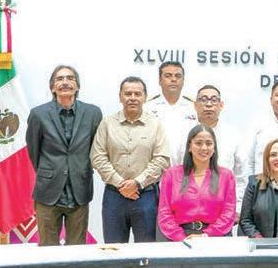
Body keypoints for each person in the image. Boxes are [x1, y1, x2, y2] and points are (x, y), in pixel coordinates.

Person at [25, 65, 103, 246]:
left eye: (70, 78)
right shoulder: (38, 114)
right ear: (52, 87)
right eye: (59, 79)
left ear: (77, 86)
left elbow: (96, 148)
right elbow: (34, 150)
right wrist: (50, 172)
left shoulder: (93, 113)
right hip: (48, 192)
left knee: (77, 250)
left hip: (79, 190)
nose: (65, 82)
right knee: (47, 250)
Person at [91, 76, 170, 243]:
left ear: (145, 97)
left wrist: (137, 183)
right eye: (128, 94)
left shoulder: (155, 124)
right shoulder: (107, 123)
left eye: (137, 94)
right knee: (114, 249)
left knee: (146, 250)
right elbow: (97, 157)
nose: (132, 98)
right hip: (114, 196)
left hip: (146, 196)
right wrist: (121, 184)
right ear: (120, 97)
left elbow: (162, 159)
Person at [173, 85, 247, 213]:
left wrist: (238, 207)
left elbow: (241, 176)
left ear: (221, 105)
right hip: (187, 206)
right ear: (195, 105)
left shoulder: (233, 135)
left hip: (223, 206)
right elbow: (175, 168)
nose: (208, 104)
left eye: (213, 100)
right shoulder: (183, 133)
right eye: (203, 100)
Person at [156, 124, 237, 242]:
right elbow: (164, 213)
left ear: (214, 147)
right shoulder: (171, 175)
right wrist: (181, 238)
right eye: (198, 143)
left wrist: (206, 236)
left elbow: (229, 213)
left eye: (209, 143)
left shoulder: (226, 176)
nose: (204, 148)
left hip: (215, 238)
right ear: (189, 146)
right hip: (179, 239)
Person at [144, 61, 196, 159]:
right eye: (168, 76)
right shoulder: (147, 107)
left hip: (187, 164)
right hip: (155, 163)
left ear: (183, 81)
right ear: (159, 81)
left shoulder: (194, 108)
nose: (173, 79)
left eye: (178, 76)